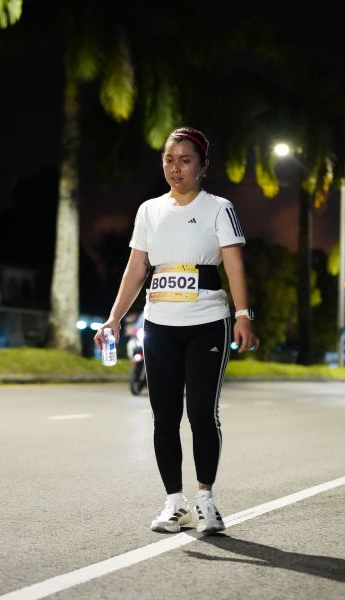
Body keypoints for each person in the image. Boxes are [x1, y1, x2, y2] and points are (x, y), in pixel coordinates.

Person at [94, 126, 259, 534]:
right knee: (164, 417)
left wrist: (243, 315)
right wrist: (114, 318)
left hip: (208, 323)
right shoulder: (149, 210)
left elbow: (233, 263)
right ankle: (174, 503)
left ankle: (206, 500)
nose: (176, 167)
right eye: (169, 159)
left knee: (201, 413)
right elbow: (137, 269)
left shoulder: (219, 208)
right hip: (159, 325)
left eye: (185, 160)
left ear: (203, 165)